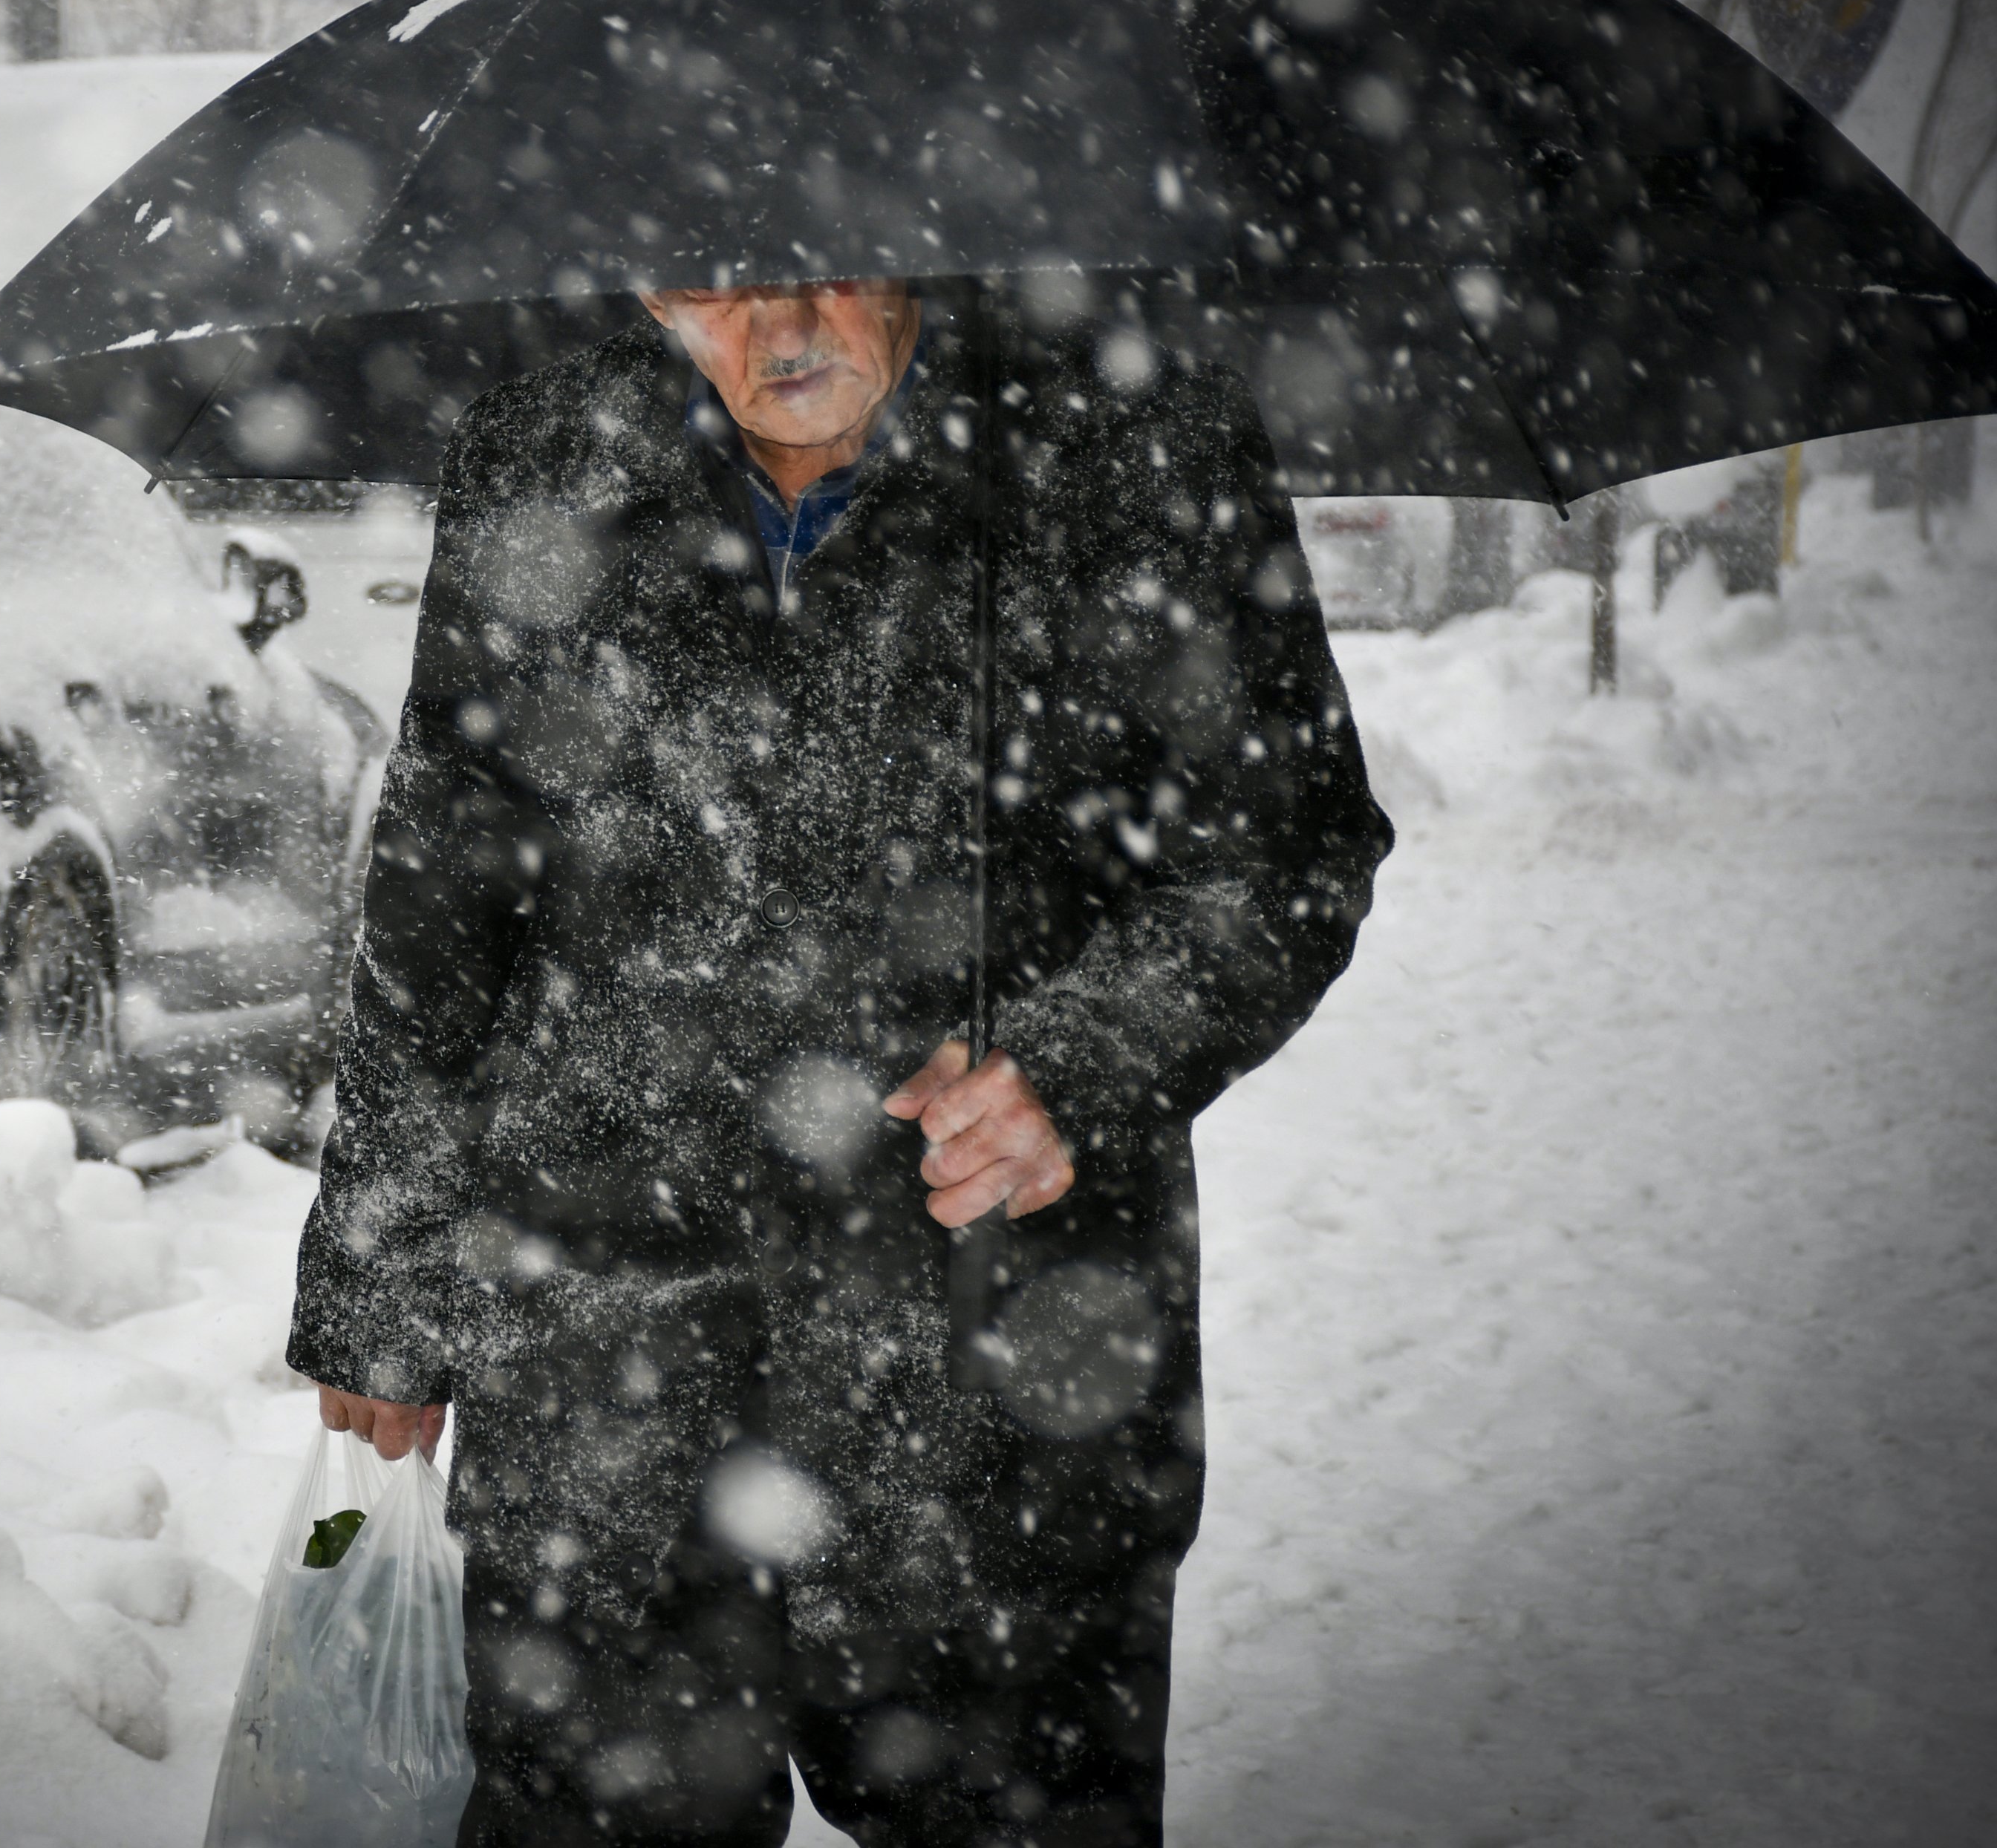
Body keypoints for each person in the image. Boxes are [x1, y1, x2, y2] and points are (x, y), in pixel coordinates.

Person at [290, 276, 1392, 1847]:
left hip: (995, 1378)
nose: (776, 332)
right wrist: (382, 1269)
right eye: (707, 284)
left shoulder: (1130, 447)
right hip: (608, 1369)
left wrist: (1079, 1063)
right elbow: (444, 892)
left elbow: (1283, 850)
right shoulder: (544, 456)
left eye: (821, 261)